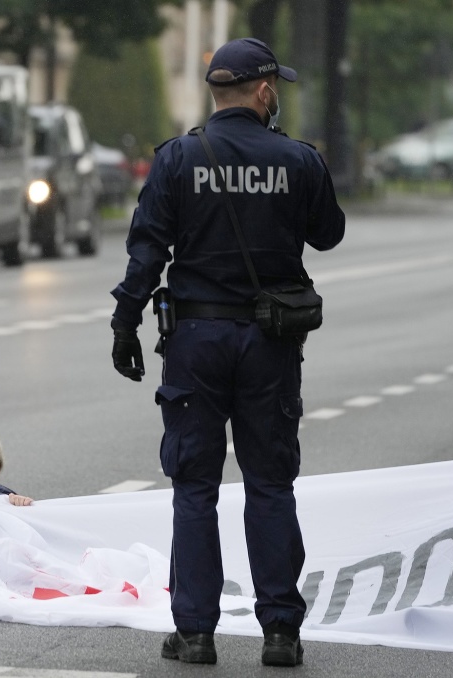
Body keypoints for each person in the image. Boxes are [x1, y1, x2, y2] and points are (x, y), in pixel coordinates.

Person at [109, 38, 345, 667]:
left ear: (216, 92)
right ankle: (280, 633)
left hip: (195, 341)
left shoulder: (179, 158)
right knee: (270, 484)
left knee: (195, 487)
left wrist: (124, 323)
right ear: (265, 92)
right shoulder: (298, 159)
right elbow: (328, 235)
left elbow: (147, 251)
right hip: (270, 343)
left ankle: (194, 633)